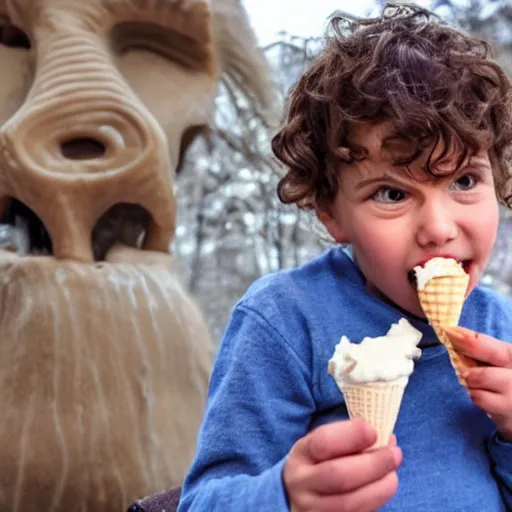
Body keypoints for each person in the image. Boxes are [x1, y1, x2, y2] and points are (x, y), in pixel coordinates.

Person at [176, 3, 512, 511]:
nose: (440, 229)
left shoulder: (500, 329)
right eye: (392, 195)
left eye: (464, 181)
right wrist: (285, 497)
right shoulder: (286, 322)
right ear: (332, 214)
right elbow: (202, 502)